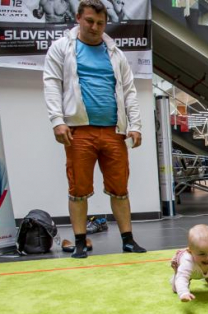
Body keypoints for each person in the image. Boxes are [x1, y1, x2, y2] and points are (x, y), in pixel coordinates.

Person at [43, 0, 147, 259]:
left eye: (100, 23)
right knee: (78, 189)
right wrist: (57, 120)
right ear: (78, 18)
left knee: (120, 187)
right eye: (90, 21)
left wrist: (135, 125)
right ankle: (79, 242)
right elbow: (52, 84)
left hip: (114, 131)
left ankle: (128, 240)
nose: (95, 27)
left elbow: (129, 92)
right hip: (78, 132)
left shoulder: (115, 52)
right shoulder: (61, 48)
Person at [171, 224, 208, 304]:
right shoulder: (187, 260)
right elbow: (182, 278)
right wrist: (184, 293)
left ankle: (207, 276)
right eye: (202, 254)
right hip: (189, 271)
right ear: (190, 252)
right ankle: (176, 271)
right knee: (176, 290)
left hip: (207, 270)